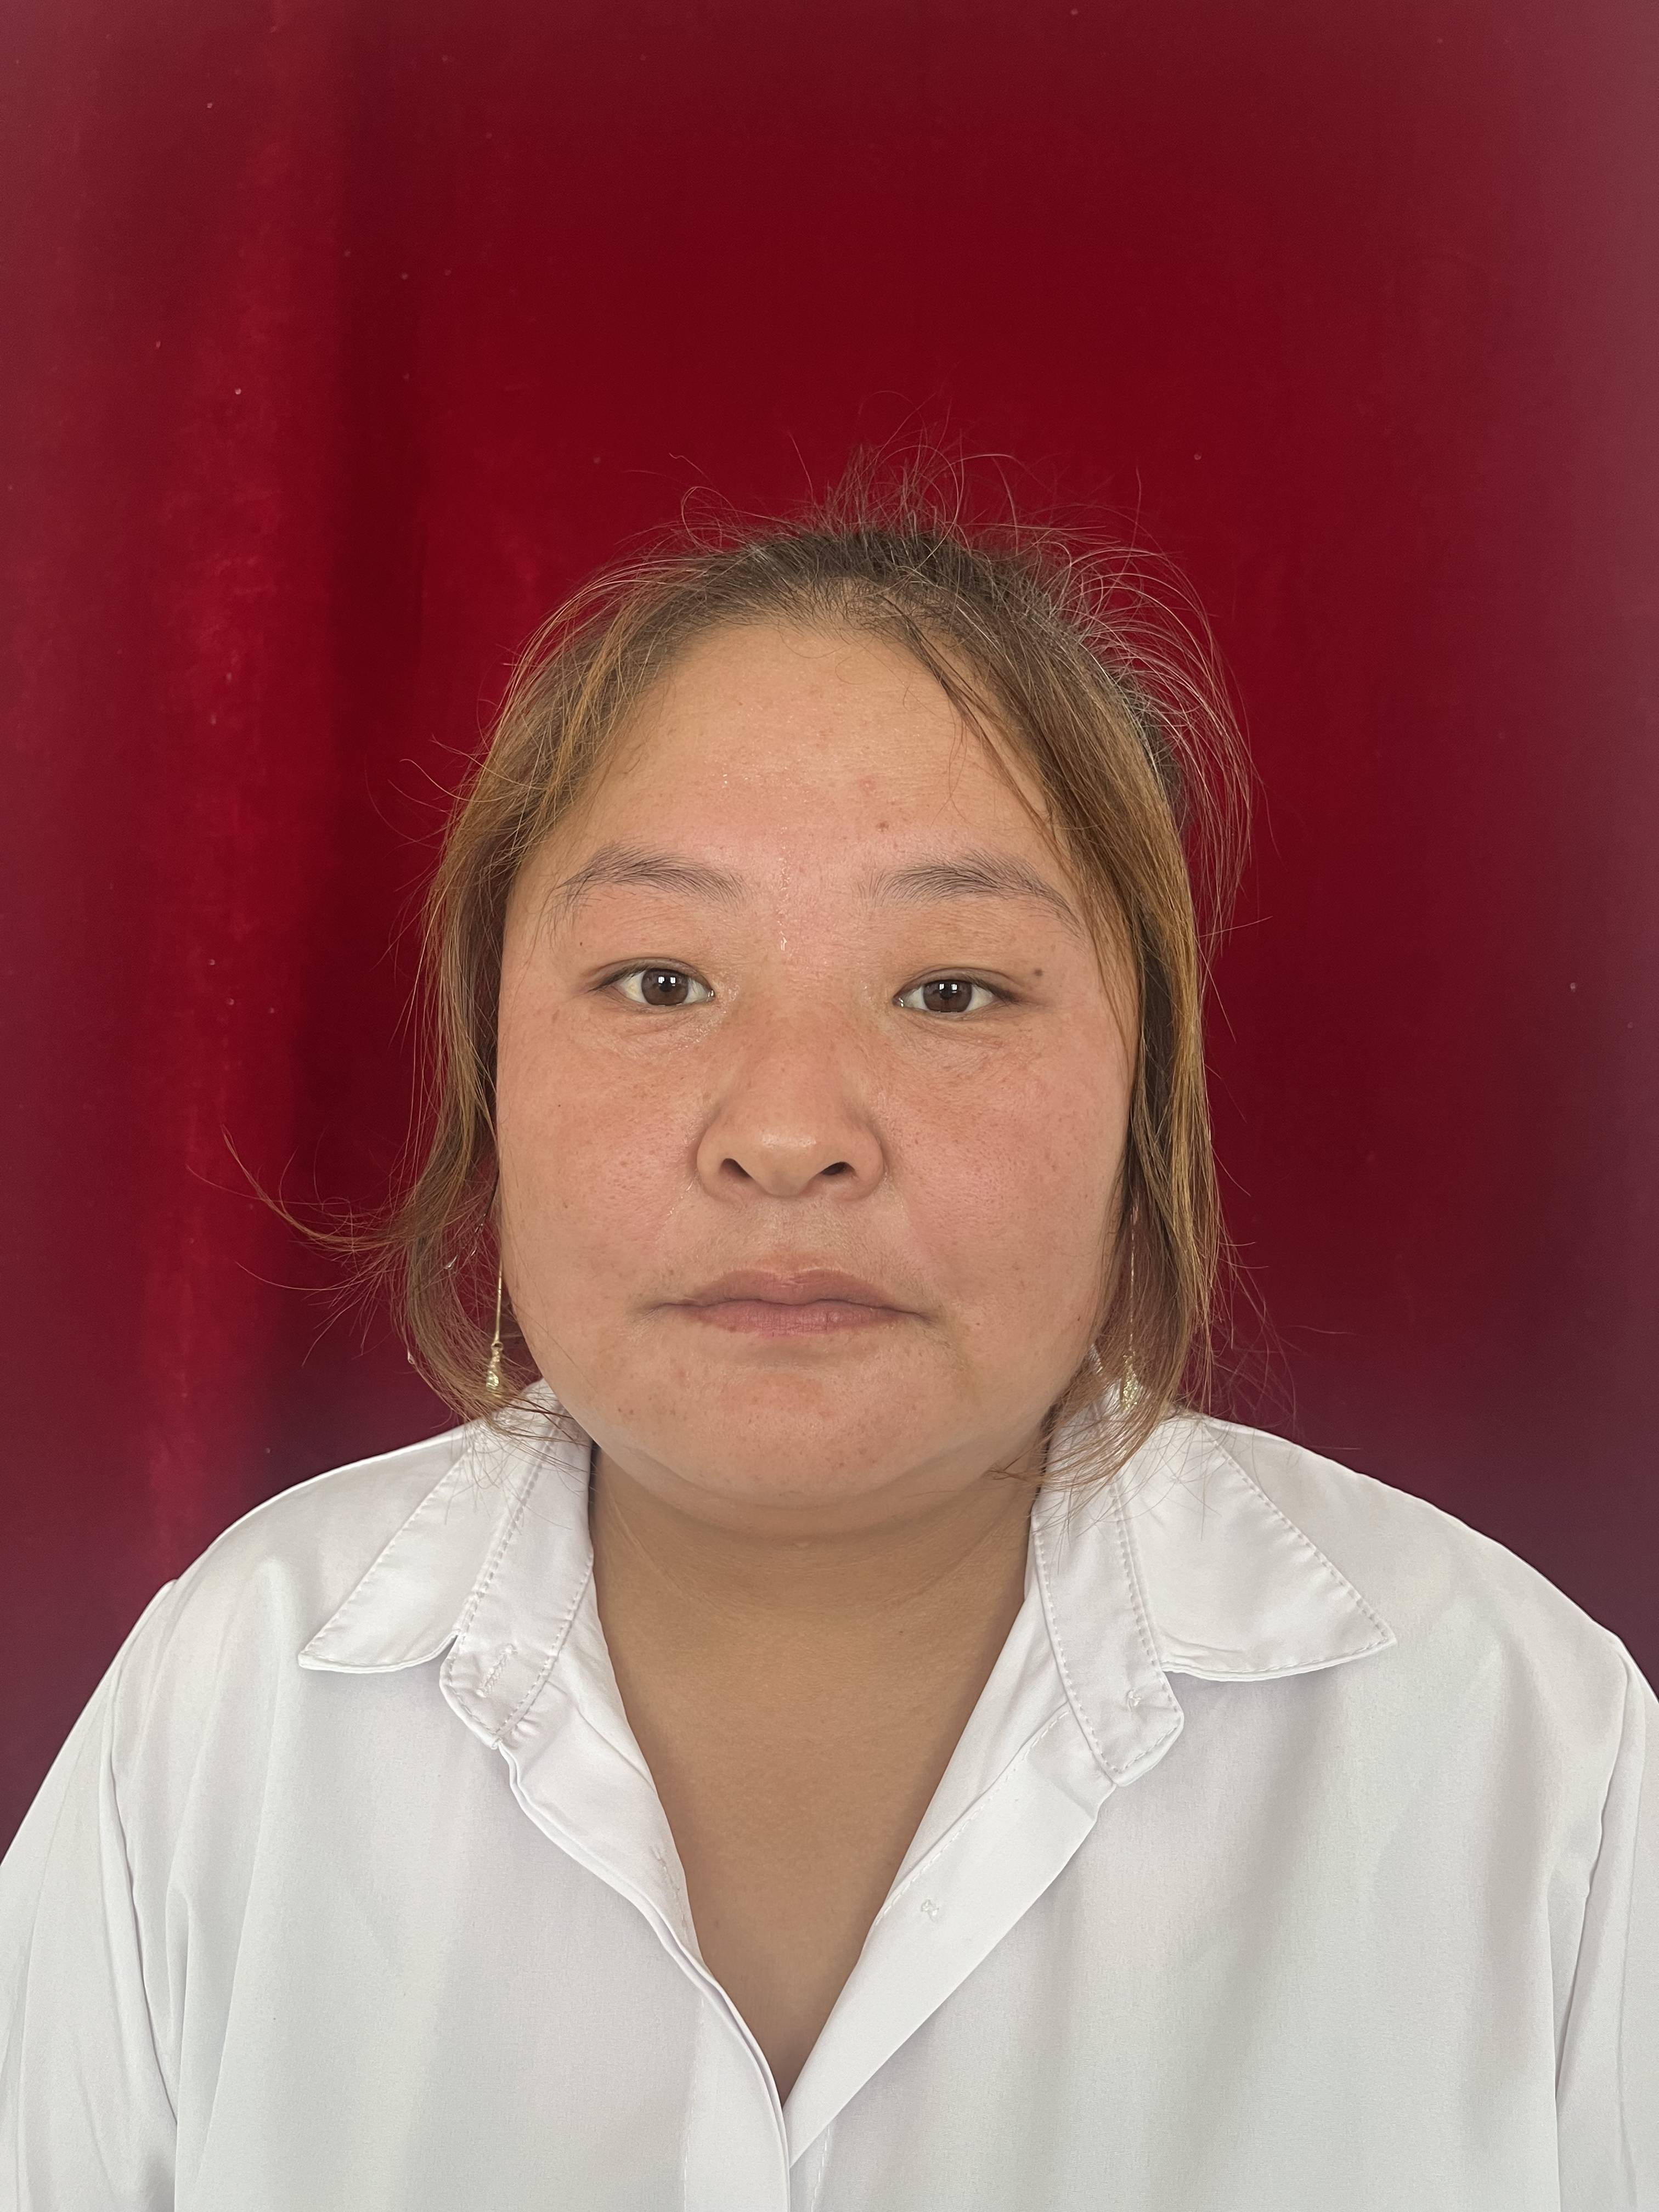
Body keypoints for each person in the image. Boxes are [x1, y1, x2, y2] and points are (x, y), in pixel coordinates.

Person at [1, 476, 1653, 2210]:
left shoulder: (1519, 1750)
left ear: (1144, 1099)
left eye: (953, 990)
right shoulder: (238, 1703)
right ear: (493, 1076)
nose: (788, 1135)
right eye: (659, 982)